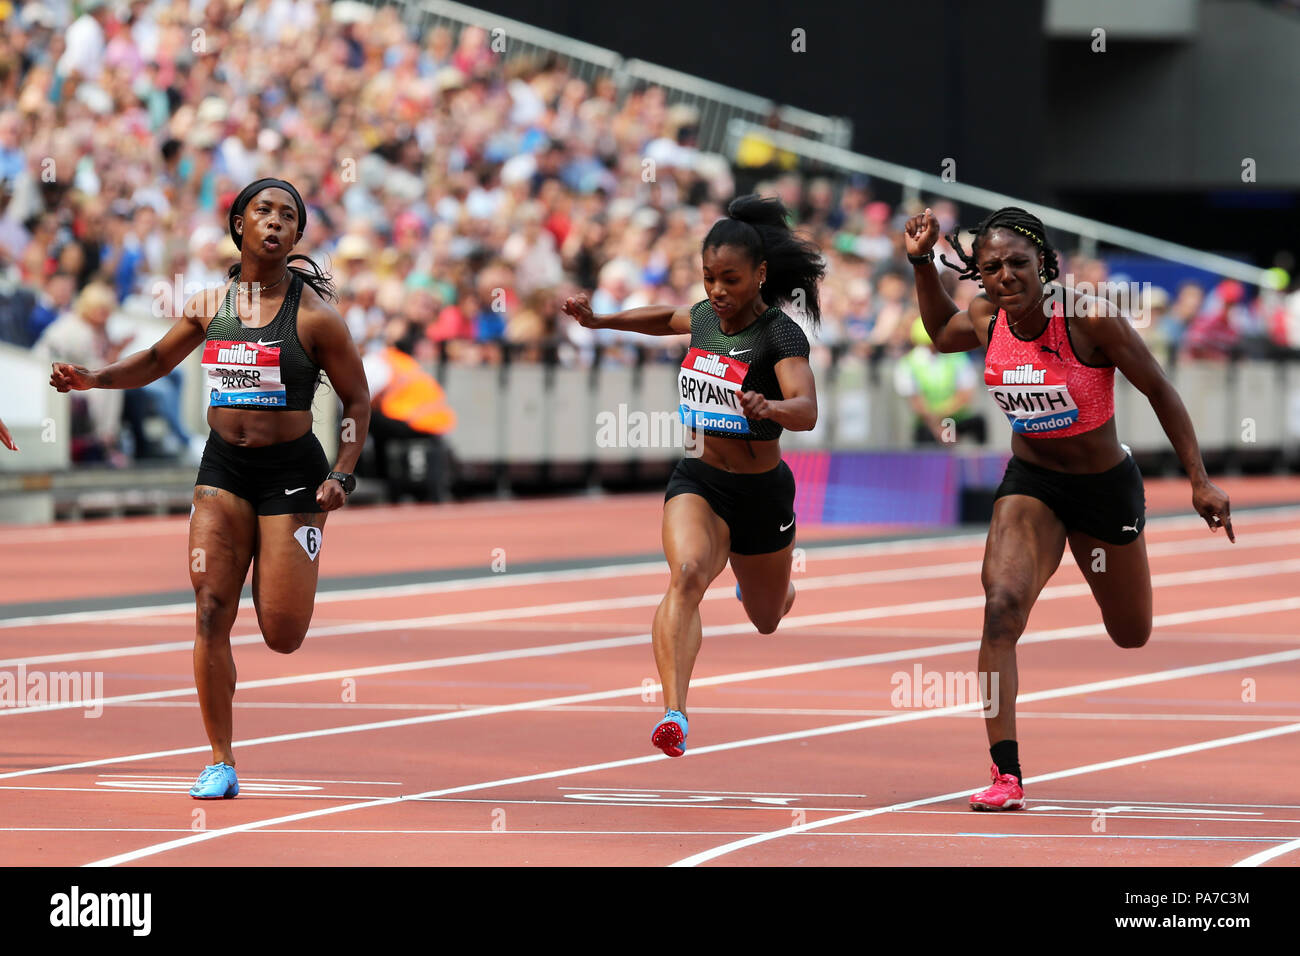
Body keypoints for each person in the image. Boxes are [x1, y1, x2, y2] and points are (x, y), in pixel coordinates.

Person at [49, 178, 370, 799]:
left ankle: (282, 562)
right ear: (239, 227)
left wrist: (342, 471)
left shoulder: (315, 317)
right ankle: (220, 759)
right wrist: (94, 378)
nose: (275, 222)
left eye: (288, 216)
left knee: (281, 632)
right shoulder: (209, 304)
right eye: (263, 211)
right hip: (223, 467)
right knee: (207, 609)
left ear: (296, 236)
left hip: (293, 474)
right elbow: (152, 361)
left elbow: (357, 398)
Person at [903, 205, 1232, 810]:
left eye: (1018, 264)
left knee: (1130, 634)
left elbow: (1159, 388)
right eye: (992, 267)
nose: (1005, 277)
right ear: (980, 274)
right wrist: (922, 262)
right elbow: (938, 331)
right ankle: (1007, 774)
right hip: (1034, 484)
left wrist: (1199, 480)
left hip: (1104, 487)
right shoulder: (985, 317)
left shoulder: (1089, 319)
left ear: (1045, 263)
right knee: (1001, 610)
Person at [563, 194, 823, 757]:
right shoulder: (705, 318)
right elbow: (664, 318)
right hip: (700, 480)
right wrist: (602, 320)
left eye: (730, 280)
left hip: (761, 495)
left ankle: (781, 591)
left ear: (759, 275)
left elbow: (807, 409)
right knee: (685, 575)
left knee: (766, 618)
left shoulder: (780, 337)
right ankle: (674, 711)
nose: (717, 292)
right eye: (708, 279)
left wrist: (771, 409)